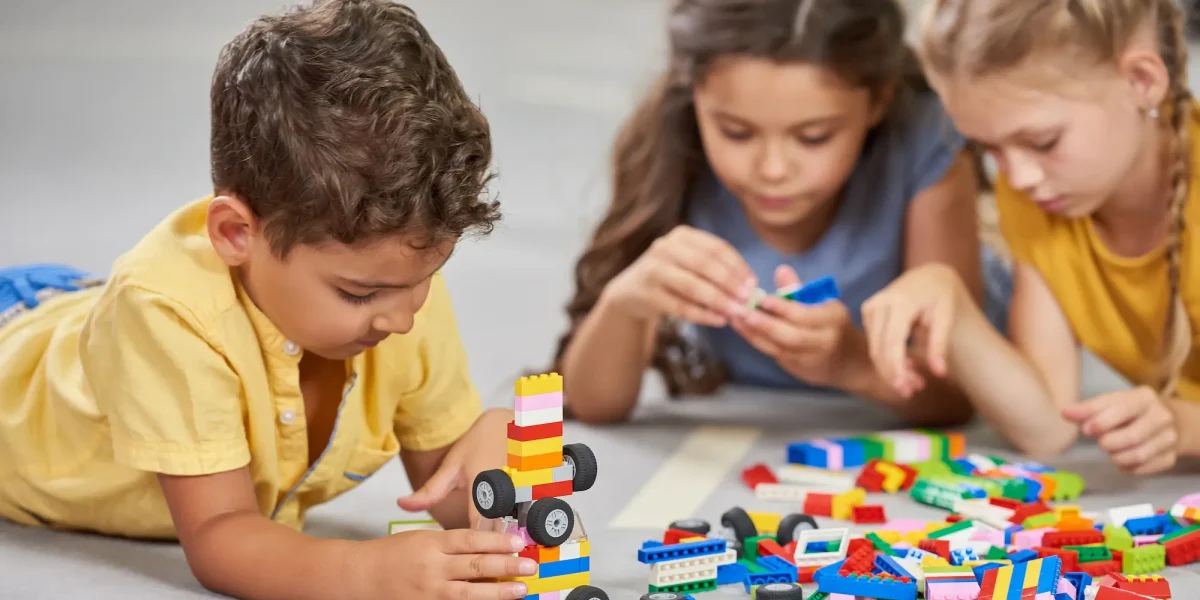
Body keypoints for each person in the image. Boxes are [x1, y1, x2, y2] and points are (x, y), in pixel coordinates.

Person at [0, 2, 537, 599]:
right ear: (235, 234)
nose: (405, 315)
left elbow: (453, 497)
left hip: (82, 310)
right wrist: (371, 572)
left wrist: (498, 471)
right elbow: (220, 535)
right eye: (359, 292)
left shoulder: (398, 290)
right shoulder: (164, 312)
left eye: (427, 277)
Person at [553, 0, 991, 425]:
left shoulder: (927, 142)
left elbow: (957, 397)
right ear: (695, 98)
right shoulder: (673, 149)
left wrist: (852, 362)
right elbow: (592, 404)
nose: (773, 170)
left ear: (879, 102)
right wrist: (626, 303)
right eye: (736, 133)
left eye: (814, 137)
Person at [862, 0, 1200, 475]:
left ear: (1141, 81)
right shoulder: (1040, 198)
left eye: (1043, 142)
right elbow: (1048, 427)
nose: (1017, 175)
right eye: (989, 148)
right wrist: (949, 298)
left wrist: (1183, 425)